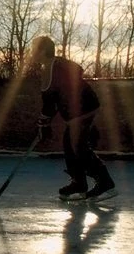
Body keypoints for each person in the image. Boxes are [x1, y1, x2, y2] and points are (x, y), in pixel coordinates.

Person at [30, 35, 117, 202]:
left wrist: (44, 121)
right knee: (70, 145)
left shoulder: (57, 67)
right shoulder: (50, 68)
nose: (31, 53)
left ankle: (105, 182)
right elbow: (54, 100)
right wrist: (44, 122)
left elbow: (52, 100)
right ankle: (79, 183)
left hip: (83, 110)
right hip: (79, 113)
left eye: (33, 49)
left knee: (77, 146)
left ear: (42, 51)